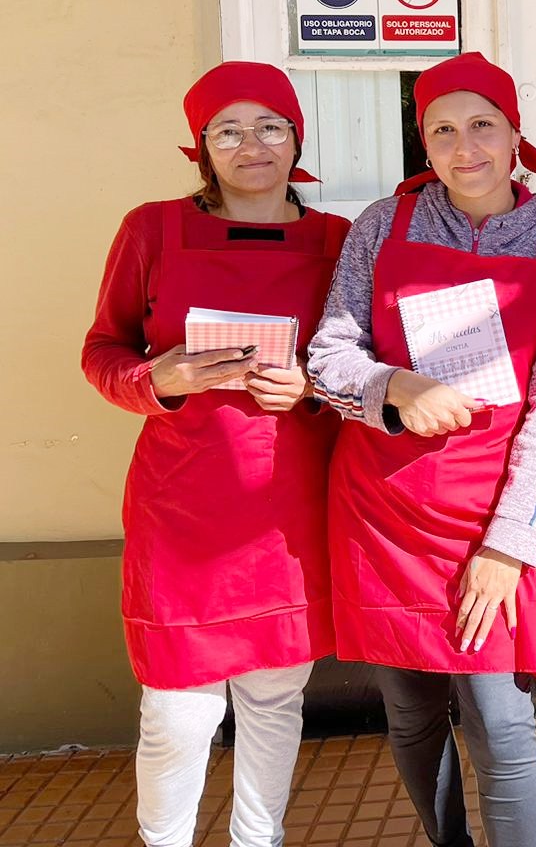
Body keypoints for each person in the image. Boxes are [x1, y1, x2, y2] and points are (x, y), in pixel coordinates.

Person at [307, 52, 536, 847]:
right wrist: (397, 387)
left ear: (515, 135)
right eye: (443, 131)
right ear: (423, 143)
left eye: (483, 126)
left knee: (500, 719)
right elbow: (327, 360)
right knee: (410, 709)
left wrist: (510, 545)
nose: (466, 148)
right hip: (381, 506)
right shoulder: (382, 226)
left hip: (488, 515)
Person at [82, 62, 349, 847]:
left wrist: (310, 389)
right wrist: (157, 379)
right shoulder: (153, 230)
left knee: (274, 700)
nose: (250, 145)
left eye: (269, 126)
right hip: (182, 511)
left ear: (296, 137)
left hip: (288, 511)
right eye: (226, 130)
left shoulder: (336, 241)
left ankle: (258, 840)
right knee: (177, 712)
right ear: (200, 146)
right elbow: (103, 349)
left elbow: (360, 369)